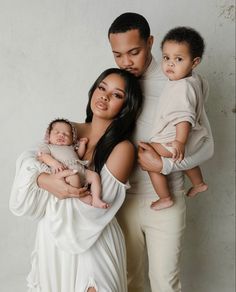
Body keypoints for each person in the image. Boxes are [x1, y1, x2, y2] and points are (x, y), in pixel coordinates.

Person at [10, 68, 143, 292]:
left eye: (117, 94)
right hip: (52, 237)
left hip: (93, 238)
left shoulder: (123, 148)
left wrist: (57, 187)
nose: (105, 96)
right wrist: (44, 180)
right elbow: (28, 160)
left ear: (126, 106)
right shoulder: (66, 129)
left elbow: (96, 208)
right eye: (102, 88)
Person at [108, 12, 214, 292]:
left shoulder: (180, 84)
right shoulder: (115, 86)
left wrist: (163, 166)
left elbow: (206, 147)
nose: (125, 62)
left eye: (134, 52)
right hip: (123, 201)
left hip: (166, 201)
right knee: (129, 282)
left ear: (151, 43)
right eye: (117, 55)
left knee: (165, 284)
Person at [148, 26, 209, 211]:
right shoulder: (195, 80)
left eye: (179, 59)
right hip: (192, 139)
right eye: (166, 58)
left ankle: (165, 197)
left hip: (176, 139)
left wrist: (180, 141)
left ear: (194, 62)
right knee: (187, 158)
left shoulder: (180, 87)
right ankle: (199, 183)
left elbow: (184, 117)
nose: (170, 64)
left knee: (147, 155)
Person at [39, 118, 107, 208]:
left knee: (95, 176)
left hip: (81, 170)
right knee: (74, 178)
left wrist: (82, 145)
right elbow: (43, 156)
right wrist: (54, 163)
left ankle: (96, 198)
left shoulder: (70, 147)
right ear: (49, 136)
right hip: (66, 173)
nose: (62, 135)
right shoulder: (49, 147)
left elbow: (79, 156)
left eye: (66, 134)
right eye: (57, 132)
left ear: (72, 138)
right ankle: (82, 196)